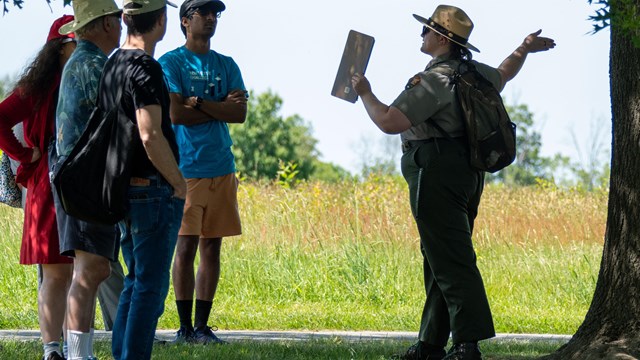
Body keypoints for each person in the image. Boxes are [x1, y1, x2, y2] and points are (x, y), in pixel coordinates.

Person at [351, 5, 556, 360]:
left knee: (451, 259)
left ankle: (467, 343)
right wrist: (524, 47)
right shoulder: (475, 73)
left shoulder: (435, 79)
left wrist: (365, 91)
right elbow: (506, 72)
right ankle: (430, 344)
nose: (422, 35)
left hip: (435, 171)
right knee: (440, 256)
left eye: (427, 30)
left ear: (442, 39)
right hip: (469, 173)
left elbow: (389, 121)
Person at [98, 0, 185, 358]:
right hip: (151, 190)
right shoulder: (146, 67)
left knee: (135, 283)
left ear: (125, 19)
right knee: (149, 288)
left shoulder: (113, 63)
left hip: (120, 189)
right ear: (161, 20)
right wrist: (178, 183)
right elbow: (150, 134)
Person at [158, 0, 247, 344]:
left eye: (215, 14)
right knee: (186, 247)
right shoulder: (172, 62)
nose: (211, 19)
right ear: (185, 21)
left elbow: (238, 114)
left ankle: (202, 326)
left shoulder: (227, 64)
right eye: (203, 14)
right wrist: (218, 108)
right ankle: (183, 327)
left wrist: (198, 103)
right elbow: (176, 115)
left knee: (212, 248)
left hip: (222, 168)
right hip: (186, 170)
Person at [0, 15, 77, 360]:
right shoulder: (41, 85)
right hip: (48, 181)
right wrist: (22, 153)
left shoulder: (88, 76)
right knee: (58, 269)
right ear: (61, 48)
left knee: (82, 270)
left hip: (80, 180)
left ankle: (72, 347)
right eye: (77, 41)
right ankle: (53, 350)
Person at [51, 1, 124, 359]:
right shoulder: (95, 65)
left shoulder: (81, 61)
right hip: (86, 183)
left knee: (89, 269)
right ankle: (79, 354)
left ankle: (78, 351)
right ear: (105, 23)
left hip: (77, 181)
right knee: (91, 269)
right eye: (116, 19)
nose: (122, 25)